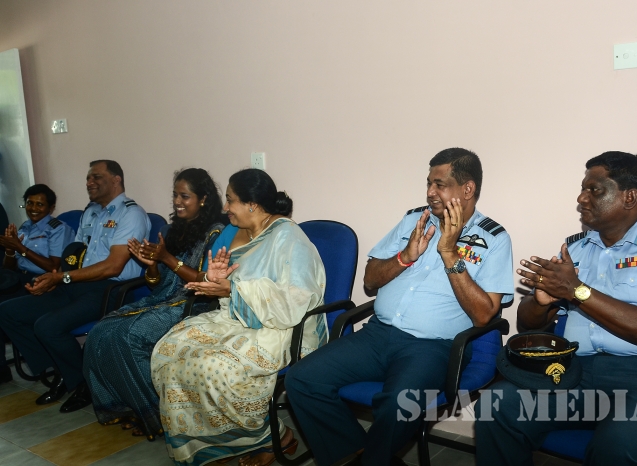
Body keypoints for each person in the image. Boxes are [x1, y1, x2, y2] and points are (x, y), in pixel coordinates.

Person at [285, 147, 515, 466]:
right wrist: (405, 257)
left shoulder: (494, 239)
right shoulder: (413, 220)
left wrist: (450, 253)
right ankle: (358, 455)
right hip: (377, 335)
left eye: (439, 184)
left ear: (467, 189)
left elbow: (484, 314)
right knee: (301, 379)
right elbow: (370, 279)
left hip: (432, 348)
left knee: (398, 404)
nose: (430, 192)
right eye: (429, 183)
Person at [475, 151, 637, 466]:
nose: (581, 198)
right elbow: (528, 325)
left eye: (594, 190)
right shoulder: (576, 249)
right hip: (576, 373)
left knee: (618, 444)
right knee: (497, 406)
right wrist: (540, 302)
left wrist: (575, 290)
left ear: (630, 197)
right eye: (583, 189)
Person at [150, 168, 326, 466]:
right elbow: (225, 283)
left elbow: (297, 298)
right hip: (235, 317)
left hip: (279, 326)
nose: (225, 207)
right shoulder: (239, 232)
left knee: (213, 367)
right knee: (169, 351)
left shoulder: (288, 237)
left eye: (231, 200)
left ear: (252, 204)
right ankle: (213, 444)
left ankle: (272, 436)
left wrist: (233, 288)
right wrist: (215, 279)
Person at [83, 168, 226, 440]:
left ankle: (158, 413)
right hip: (163, 300)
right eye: (175, 195)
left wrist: (167, 258)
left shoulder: (217, 233)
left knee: (128, 337)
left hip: (195, 305)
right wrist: (151, 265)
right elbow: (157, 283)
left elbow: (206, 282)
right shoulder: (172, 230)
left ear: (203, 199)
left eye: (185, 196)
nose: (177, 202)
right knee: (101, 332)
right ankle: (129, 406)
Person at [0, 160, 151, 412]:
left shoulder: (131, 214)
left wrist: (62, 278)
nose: (89, 182)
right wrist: (53, 279)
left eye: (96, 177)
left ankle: (84, 382)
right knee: (8, 312)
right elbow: (74, 256)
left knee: (48, 326)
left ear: (116, 180)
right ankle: (63, 371)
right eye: (88, 178)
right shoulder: (90, 212)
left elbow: (113, 267)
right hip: (76, 284)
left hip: (110, 290)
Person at [0, 184, 75, 384]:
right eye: (29, 203)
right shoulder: (25, 227)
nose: (33, 208)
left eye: (39, 204)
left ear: (50, 208)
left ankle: (48, 363)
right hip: (19, 278)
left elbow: (53, 266)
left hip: (45, 282)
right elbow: (9, 267)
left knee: (5, 310)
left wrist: (20, 247)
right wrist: (10, 250)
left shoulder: (58, 229)